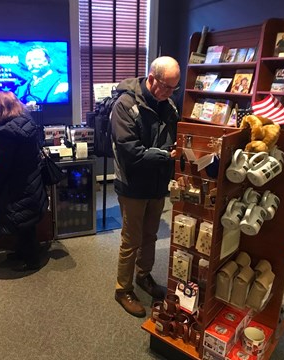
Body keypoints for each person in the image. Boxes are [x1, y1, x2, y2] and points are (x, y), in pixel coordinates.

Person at [110, 56, 180, 317]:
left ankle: (143, 275)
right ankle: (122, 289)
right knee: (131, 240)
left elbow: (176, 141)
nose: (171, 93)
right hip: (133, 185)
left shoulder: (169, 106)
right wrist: (165, 155)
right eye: (168, 86)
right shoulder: (124, 105)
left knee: (151, 235)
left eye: (175, 87)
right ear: (152, 79)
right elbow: (131, 152)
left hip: (158, 184)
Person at [0, 91, 48, 271]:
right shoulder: (28, 122)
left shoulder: (5, 133)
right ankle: (25, 252)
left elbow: (2, 166)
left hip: (17, 184)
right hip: (31, 180)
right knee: (27, 221)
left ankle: (31, 261)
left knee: (22, 222)